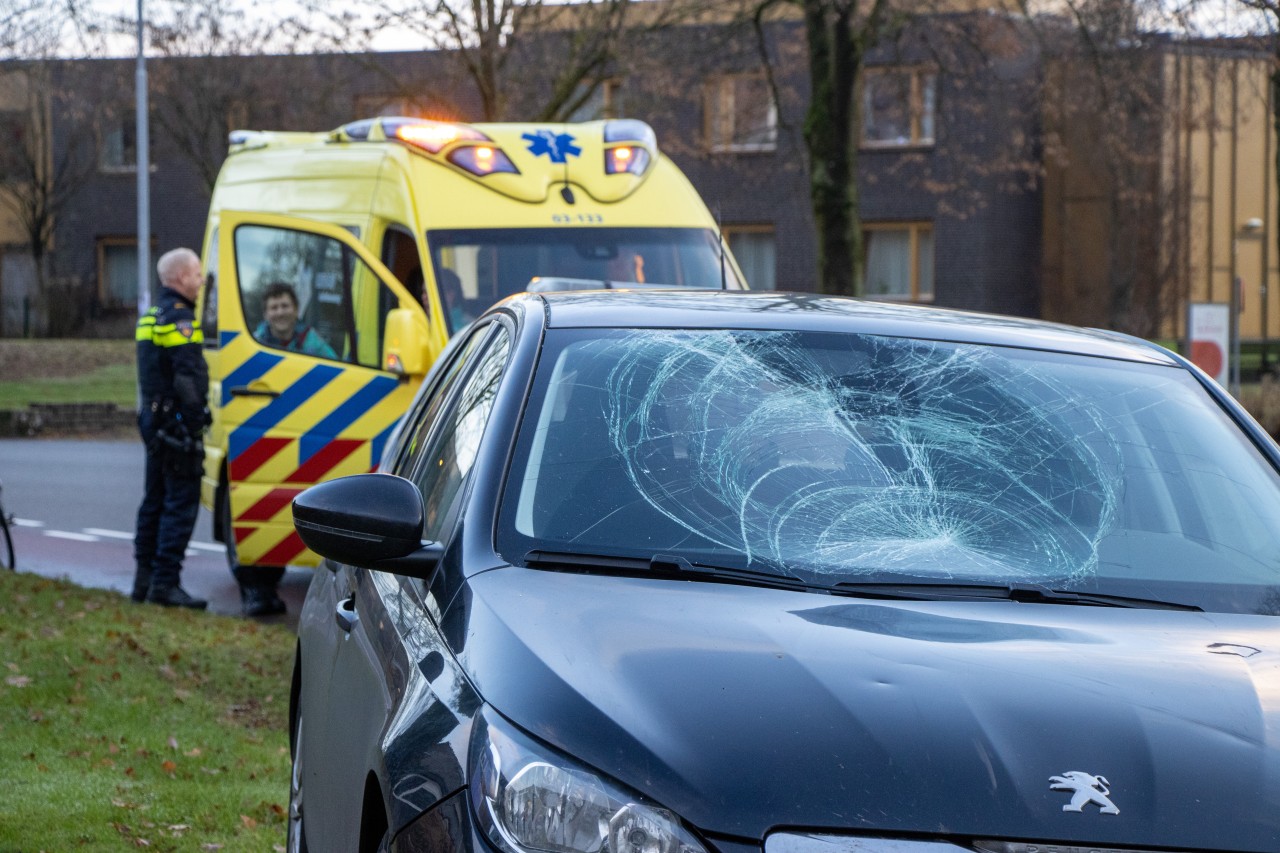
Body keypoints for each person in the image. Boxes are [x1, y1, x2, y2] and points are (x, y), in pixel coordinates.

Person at [132, 248, 210, 610]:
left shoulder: (151, 316)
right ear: (180, 278)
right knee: (180, 503)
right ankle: (166, 583)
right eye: (196, 274)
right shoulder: (180, 319)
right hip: (176, 425)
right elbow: (188, 377)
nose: (201, 280)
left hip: (153, 421)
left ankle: (143, 580)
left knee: (154, 499)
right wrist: (196, 424)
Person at [252, 281, 337, 358]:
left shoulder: (312, 341)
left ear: (296, 310)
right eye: (274, 308)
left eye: (285, 306)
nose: (280, 313)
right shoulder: (253, 343)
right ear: (265, 314)